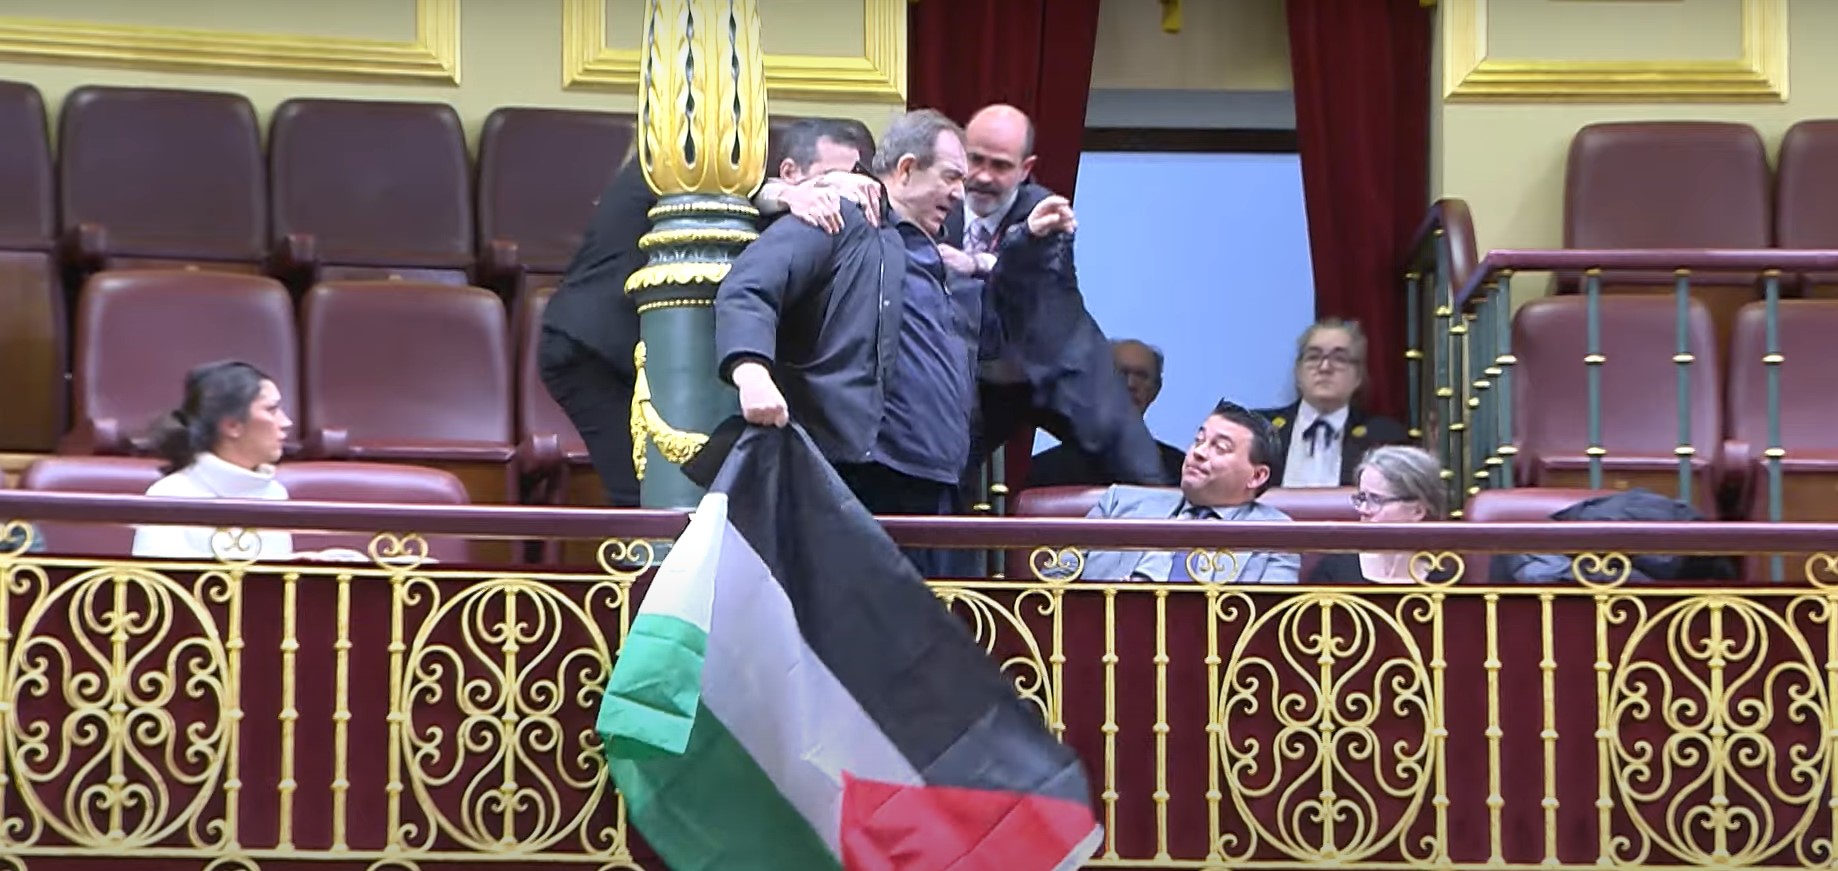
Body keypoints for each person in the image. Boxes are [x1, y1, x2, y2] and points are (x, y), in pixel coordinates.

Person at [715, 109, 1081, 576]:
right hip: (861, 483)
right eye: (951, 177)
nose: (959, 193)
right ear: (906, 169)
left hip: (941, 494)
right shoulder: (839, 217)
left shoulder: (942, 257)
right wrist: (752, 373)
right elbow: (750, 287)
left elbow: (995, 343)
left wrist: (1027, 244)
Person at [538, 119, 880, 506]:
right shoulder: (670, 164)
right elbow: (722, 194)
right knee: (648, 492)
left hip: (617, 345)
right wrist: (793, 194)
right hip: (590, 348)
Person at [131, 360, 357, 562]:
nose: (286, 422)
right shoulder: (169, 496)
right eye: (272, 410)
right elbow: (163, 595)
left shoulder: (275, 493)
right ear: (232, 425)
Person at [1054, 401, 1300, 583]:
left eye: (1220, 447)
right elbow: (1052, 583)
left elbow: (1268, 622)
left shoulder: (1275, 534)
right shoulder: (1118, 502)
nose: (1199, 452)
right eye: (1199, 440)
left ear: (1257, 476)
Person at [1257, 318, 1411, 487]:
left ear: (1358, 376)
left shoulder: (1385, 438)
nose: (1324, 367)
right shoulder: (1258, 430)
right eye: (1313, 357)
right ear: (1298, 372)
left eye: (1339, 359)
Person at [1026, 338, 1186, 487]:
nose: (1131, 384)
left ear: (1156, 390)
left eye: (1142, 376)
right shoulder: (1044, 469)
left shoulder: (1179, 472)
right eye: (1122, 373)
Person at [1309, 445, 1451, 583]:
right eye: (1362, 498)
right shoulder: (1333, 570)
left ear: (1417, 511)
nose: (1363, 509)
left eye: (1376, 499)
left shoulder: (1443, 583)